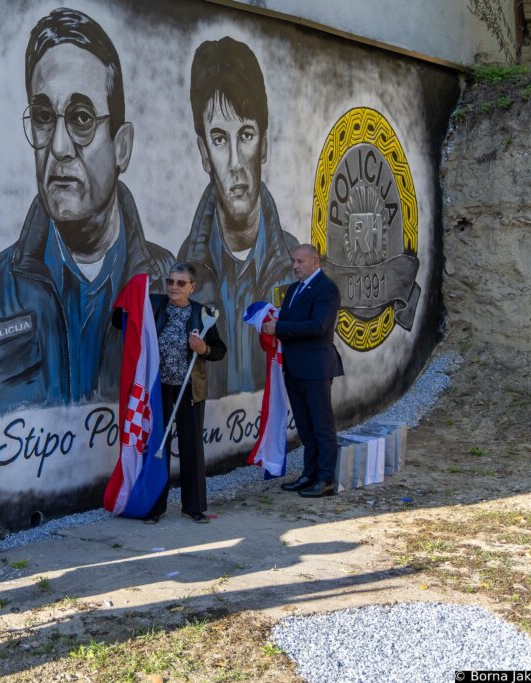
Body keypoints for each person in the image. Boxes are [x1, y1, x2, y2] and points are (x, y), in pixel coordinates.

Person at [0, 7, 173, 412]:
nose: (59, 147)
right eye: (45, 117)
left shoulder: (168, 284)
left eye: (82, 118)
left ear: (122, 147)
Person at [178, 37, 298, 398]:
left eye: (245, 134)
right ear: (203, 153)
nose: (233, 162)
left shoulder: (295, 266)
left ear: (264, 143)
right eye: (218, 139)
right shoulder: (182, 272)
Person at [139, 263, 226, 523]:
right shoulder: (154, 305)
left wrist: (203, 350)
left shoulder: (203, 313)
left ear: (192, 287)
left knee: (191, 447)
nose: (173, 287)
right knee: (158, 446)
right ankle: (155, 507)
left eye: (180, 283)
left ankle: (194, 506)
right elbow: (126, 321)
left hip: (190, 389)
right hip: (159, 389)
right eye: (170, 282)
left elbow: (219, 350)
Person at [262, 244, 344, 498]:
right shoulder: (296, 289)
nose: (295, 266)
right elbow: (289, 319)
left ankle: (325, 479)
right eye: (293, 261)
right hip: (295, 367)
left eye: (300, 261)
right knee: (305, 426)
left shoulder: (326, 289)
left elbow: (317, 326)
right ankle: (309, 474)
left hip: (316, 367)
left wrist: (280, 327)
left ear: (315, 262)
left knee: (322, 425)